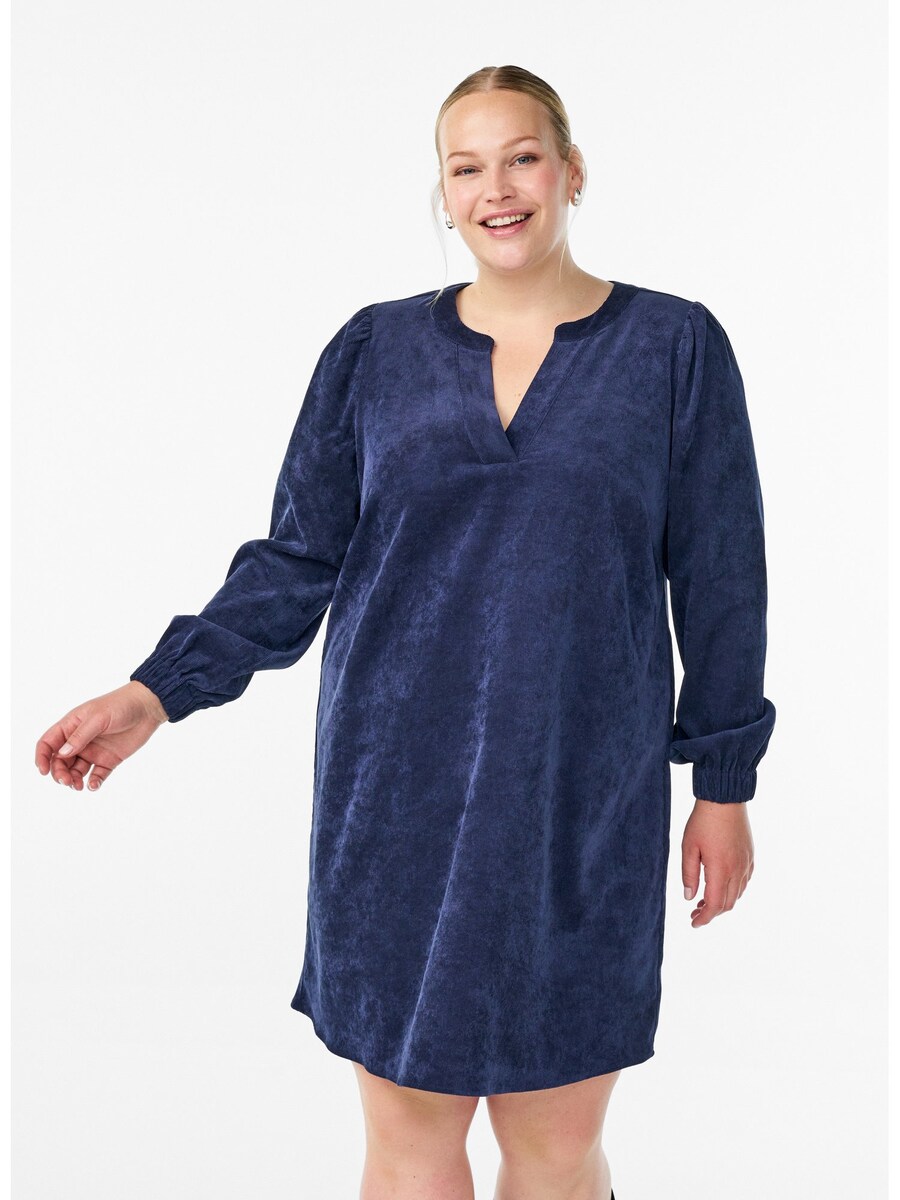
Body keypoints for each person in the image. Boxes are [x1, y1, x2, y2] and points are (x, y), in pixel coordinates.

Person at [34, 64, 776, 1200]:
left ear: (571, 170)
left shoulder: (673, 347)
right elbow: (298, 558)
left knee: (555, 1149)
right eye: (466, 168)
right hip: (395, 803)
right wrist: (156, 691)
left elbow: (722, 580)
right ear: (443, 193)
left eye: (521, 158)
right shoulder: (373, 353)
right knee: (409, 1150)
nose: (496, 189)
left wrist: (722, 785)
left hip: (580, 798)